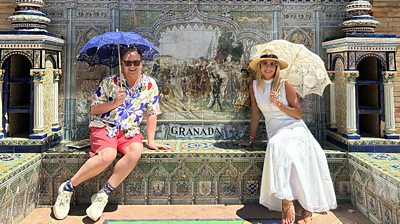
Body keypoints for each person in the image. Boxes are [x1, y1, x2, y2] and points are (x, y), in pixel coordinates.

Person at [53, 47, 170, 221]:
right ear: (122, 64)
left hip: (129, 131)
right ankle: (68, 188)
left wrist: (151, 141)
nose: (132, 66)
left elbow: (152, 112)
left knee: (136, 150)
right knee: (108, 155)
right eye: (128, 63)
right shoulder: (110, 82)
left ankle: (103, 195)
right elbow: (94, 109)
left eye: (136, 62)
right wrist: (116, 102)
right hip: (105, 127)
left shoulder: (149, 84)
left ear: (142, 63)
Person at [234, 49, 337, 224]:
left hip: (294, 128)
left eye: (272, 64)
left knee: (283, 147)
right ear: (259, 66)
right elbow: (255, 114)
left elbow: (298, 114)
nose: (268, 67)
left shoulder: (285, 84)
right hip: (275, 130)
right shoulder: (253, 86)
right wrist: (250, 139)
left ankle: (290, 202)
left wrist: (278, 103)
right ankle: (299, 205)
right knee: (279, 146)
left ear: (276, 68)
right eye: (265, 63)